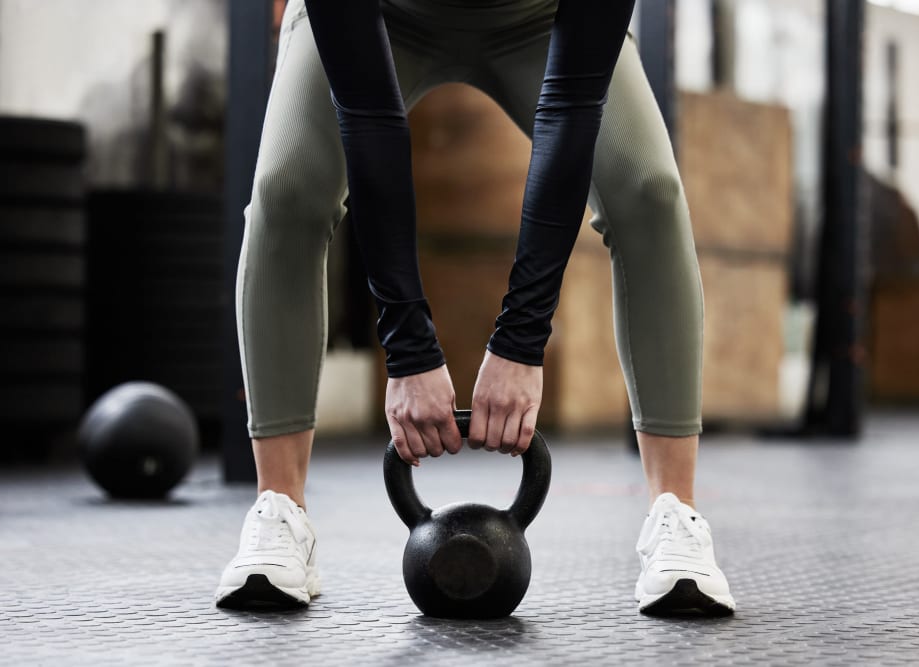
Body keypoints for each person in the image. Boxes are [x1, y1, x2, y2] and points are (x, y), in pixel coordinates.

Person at [215, 0, 735, 616]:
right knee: (287, 187)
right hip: (383, 12)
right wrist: (407, 346)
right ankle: (280, 513)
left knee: (650, 191)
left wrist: (521, 339)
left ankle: (674, 514)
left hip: (541, 15)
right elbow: (367, 114)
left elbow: (570, 108)